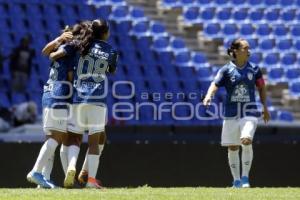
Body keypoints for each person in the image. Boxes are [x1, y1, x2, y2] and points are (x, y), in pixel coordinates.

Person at [54, 19, 117, 188]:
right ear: (105, 33)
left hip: (78, 98)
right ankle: (90, 180)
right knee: (94, 141)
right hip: (97, 99)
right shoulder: (111, 50)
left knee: (74, 137)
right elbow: (111, 69)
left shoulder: (81, 46)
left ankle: (72, 167)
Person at [26, 22, 88, 188]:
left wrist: (59, 39)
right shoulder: (71, 51)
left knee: (50, 139)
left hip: (48, 92)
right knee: (57, 137)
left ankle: (43, 180)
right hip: (60, 94)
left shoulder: (60, 49)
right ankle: (36, 172)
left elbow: (46, 52)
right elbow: (68, 76)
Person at [203, 38, 270, 188]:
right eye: (245, 48)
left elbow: (261, 87)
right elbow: (215, 84)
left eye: (248, 48)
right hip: (231, 112)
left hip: (250, 111)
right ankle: (237, 181)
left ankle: (245, 177)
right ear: (236, 51)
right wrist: (208, 96)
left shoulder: (254, 69)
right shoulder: (226, 70)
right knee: (233, 147)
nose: (249, 51)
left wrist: (265, 107)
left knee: (246, 140)